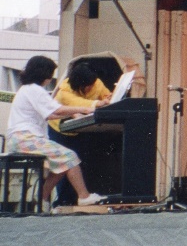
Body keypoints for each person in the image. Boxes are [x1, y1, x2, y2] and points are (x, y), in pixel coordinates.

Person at [5, 56, 104, 211]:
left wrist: (71, 114)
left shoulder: (28, 89)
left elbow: (51, 114)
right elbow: (56, 110)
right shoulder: (35, 90)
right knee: (70, 156)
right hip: (25, 138)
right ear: (45, 74)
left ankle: (42, 198)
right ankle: (84, 197)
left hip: (20, 138)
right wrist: (84, 109)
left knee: (62, 163)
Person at [49, 62, 111, 206]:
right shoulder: (64, 91)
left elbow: (106, 95)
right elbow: (79, 103)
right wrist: (98, 103)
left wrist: (109, 97)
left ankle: (77, 197)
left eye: (91, 84)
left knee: (79, 163)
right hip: (59, 129)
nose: (90, 87)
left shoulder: (96, 83)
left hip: (80, 129)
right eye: (86, 85)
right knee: (63, 165)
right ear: (77, 84)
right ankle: (63, 200)